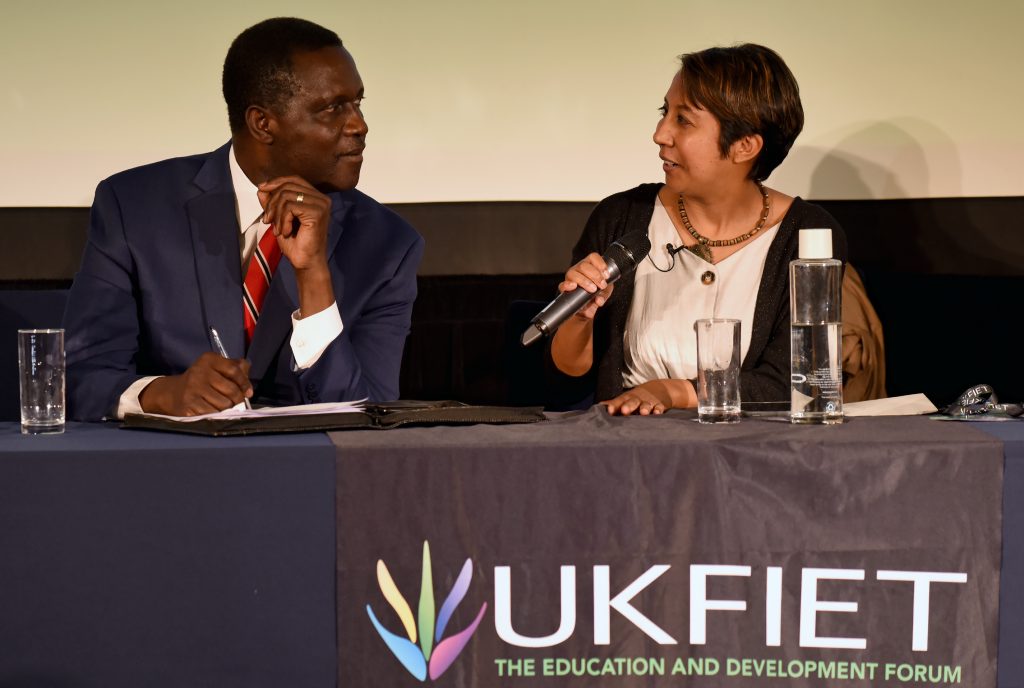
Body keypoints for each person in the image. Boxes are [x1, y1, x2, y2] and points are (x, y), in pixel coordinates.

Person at [63, 18, 424, 421]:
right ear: (262, 123)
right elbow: (79, 379)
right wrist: (164, 394)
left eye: (358, 102)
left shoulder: (389, 245)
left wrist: (314, 276)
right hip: (165, 471)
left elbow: (369, 415)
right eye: (332, 108)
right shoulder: (134, 206)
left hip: (308, 476)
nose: (359, 125)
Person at [549, 44, 847, 415]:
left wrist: (671, 392)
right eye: (664, 113)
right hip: (630, 442)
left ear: (745, 146)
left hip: (751, 450)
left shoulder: (807, 233)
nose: (660, 134)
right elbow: (570, 372)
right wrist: (578, 318)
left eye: (683, 120)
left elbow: (794, 382)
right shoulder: (622, 215)